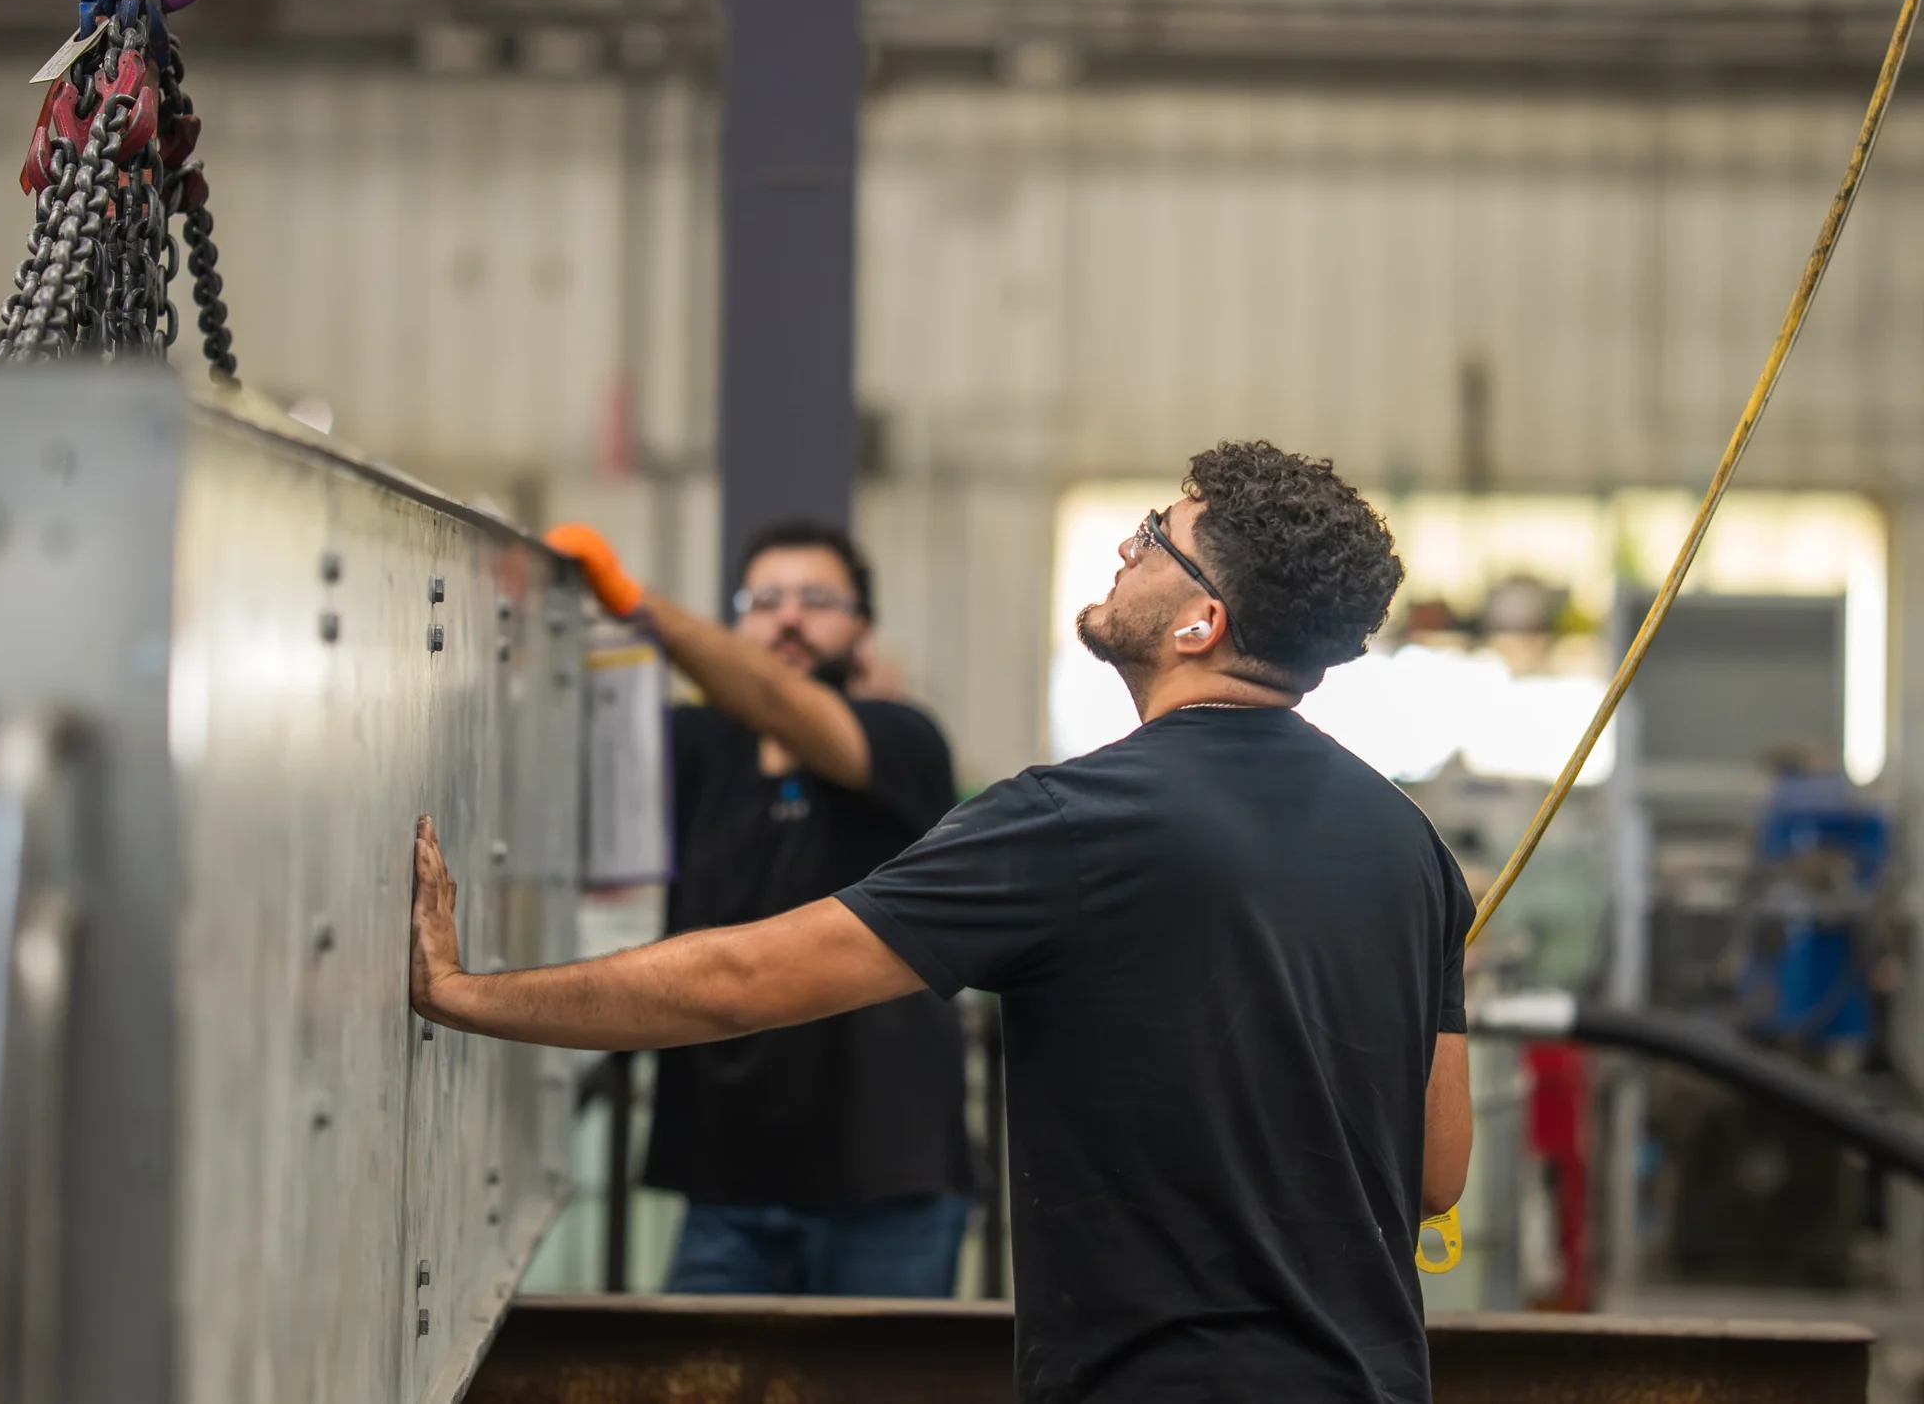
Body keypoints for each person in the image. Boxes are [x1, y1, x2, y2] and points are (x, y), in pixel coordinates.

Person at [425, 443, 1473, 1402]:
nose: (1128, 547)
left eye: (1157, 536)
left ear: (1201, 624)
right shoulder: (1408, 843)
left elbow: (742, 983)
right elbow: (1434, 1172)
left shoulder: (1076, 821)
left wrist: (466, 994)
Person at [542, 516, 976, 1297]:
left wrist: (634, 600)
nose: (789, 617)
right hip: (728, 1182)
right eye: (765, 600)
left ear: (864, 628)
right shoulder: (692, 746)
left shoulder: (905, 738)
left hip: (888, 1181)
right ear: (738, 624)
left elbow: (779, 700)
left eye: (818, 599)